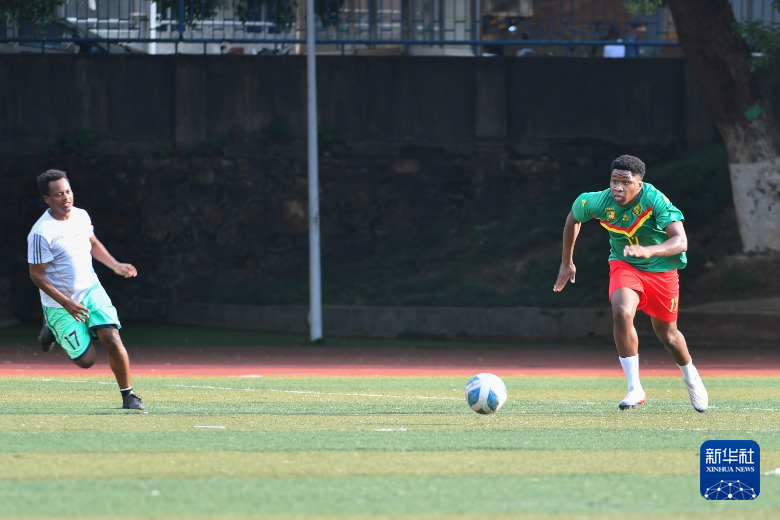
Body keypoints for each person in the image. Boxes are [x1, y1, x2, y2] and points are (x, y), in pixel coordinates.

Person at [552, 155, 708, 412]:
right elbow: (573, 218)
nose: (618, 188)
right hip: (625, 264)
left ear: (639, 184)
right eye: (614, 181)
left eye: (625, 182)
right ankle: (635, 387)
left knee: (668, 335)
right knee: (622, 312)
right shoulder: (598, 201)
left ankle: (691, 377)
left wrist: (650, 251)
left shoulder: (654, 199)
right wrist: (566, 261)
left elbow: (681, 241)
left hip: (662, 270)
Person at [27, 169, 145, 411]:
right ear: (47, 199)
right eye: (58, 194)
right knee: (86, 361)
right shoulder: (41, 233)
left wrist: (115, 265)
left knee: (112, 338)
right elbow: (36, 275)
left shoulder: (81, 216)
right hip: (60, 304)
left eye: (68, 191)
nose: (66, 197)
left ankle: (129, 396)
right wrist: (67, 303)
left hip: (91, 290)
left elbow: (92, 243)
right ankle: (51, 328)